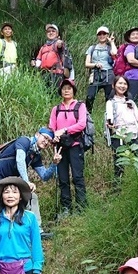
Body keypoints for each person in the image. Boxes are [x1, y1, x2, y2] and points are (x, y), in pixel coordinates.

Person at [0, 127, 61, 237]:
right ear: (37, 134)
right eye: (45, 137)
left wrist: (54, 164)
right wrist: (26, 182)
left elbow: (44, 176)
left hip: (9, 181)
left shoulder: (35, 155)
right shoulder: (24, 141)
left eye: (49, 140)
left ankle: (37, 231)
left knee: (32, 196)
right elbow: (20, 160)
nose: (47, 142)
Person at [49, 78, 87, 216]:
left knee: (78, 177)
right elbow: (52, 126)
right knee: (63, 178)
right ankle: (66, 207)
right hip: (60, 147)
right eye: (64, 88)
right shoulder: (56, 109)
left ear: (73, 91)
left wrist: (64, 130)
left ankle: (81, 207)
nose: (66, 90)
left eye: (69, 88)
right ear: (60, 91)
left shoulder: (80, 106)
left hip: (75, 145)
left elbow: (82, 124)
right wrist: (54, 135)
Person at [105, 75, 138, 181]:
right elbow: (110, 119)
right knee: (119, 164)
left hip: (134, 134)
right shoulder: (110, 102)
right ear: (114, 85)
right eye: (120, 83)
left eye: (125, 84)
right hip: (119, 136)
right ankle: (117, 186)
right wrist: (110, 125)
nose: (122, 86)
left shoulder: (130, 102)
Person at [85, 26, 117, 111]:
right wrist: (95, 64)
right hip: (95, 74)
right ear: (97, 35)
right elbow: (87, 63)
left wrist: (112, 42)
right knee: (90, 96)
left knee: (109, 98)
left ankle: (109, 118)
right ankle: (87, 116)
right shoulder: (92, 48)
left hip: (108, 74)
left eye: (104, 34)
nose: (102, 35)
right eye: (100, 34)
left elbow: (114, 53)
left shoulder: (109, 47)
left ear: (107, 35)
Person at [33, 23, 71, 90]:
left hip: (56, 74)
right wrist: (34, 63)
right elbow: (38, 61)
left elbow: (60, 46)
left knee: (55, 94)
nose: (50, 33)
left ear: (57, 34)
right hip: (44, 75)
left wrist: (60, 43)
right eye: (48, 31)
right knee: (45, 94)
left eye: (53, 31)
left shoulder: (58, 44)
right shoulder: (43, 47)